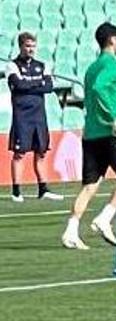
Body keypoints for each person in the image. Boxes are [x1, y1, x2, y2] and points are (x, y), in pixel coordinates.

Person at [60, 22, 116, 250]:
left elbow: (102, 94)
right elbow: (99, 90)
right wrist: (114, 119)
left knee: (90, 185)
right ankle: (105, 218)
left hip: (91, 133)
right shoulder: (112, 63)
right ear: (112, 40)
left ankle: (71, 231)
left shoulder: (92, 67)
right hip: (108, 133)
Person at [6, 32, 63, 202]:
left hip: (39, 115)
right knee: (20, 153)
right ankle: (16, 191)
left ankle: (43, 189)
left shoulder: (42, 65)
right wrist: (38, 83)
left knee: (41, 152)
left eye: (33, 46)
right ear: (21, 46)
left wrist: (31, 84)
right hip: (22, 116)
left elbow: (49, 86)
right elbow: (19, 85)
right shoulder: (12, 65)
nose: (30, 49)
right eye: (27, 46)